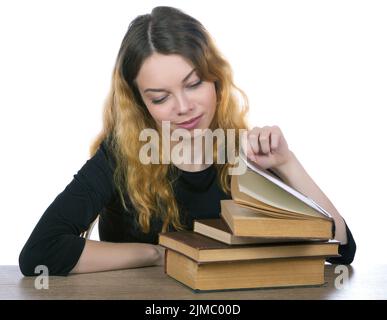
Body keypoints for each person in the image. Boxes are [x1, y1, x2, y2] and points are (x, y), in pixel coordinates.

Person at [19, 6, 356, 276]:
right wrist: (157, 254)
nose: (183, 108)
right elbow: (39, 254)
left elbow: (341, 248)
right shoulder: (120, 155)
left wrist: (286, 163)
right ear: (140, 103)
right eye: (160, 97)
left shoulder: (244, 150)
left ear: (215, 80)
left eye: (193, 84)